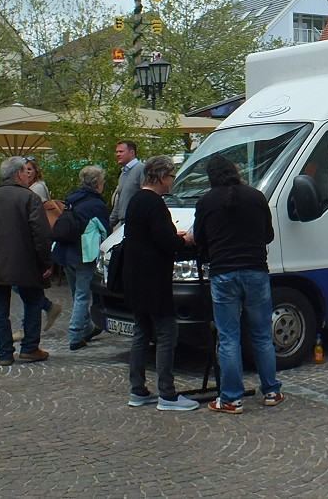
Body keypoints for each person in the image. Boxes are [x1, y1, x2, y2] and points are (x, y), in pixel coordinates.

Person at [194, 154, 283, 414]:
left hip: (223, 274)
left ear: (211, 177)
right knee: (261, 335)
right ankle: (272, 391)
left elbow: (200, 238)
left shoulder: (206, 201)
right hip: (256, 271)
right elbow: (268, 235)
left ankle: (231, 398)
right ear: (235, 171)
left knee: (229, 337)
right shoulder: (256, 197)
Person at [123, 155, 198, 411]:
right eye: (172, 177)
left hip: (136, 278)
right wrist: (184, 240)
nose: (172, 182)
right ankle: (167, 393)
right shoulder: (155, 204)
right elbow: (165, 241)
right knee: (167, 332)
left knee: (141, 332)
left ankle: (138, 389)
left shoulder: (135, 201)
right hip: (154, 279)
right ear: (162, 176)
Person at [0, 155, 52, 366]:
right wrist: (46, 262)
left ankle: (4, 352)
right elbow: (40, 233)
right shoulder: (29, 198)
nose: (27, 175)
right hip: (26, 261)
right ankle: (30, 348)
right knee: (33, 301)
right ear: (18, 174)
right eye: (25, 171)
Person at [54, 165, 110, 351]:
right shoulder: (96, 204)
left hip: (65, 252)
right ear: (98, 184)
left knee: (76, 293)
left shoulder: (72, 199)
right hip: (84, 254)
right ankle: (76, 334)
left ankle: (86, 328)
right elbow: (105, 230)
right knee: (82, 295)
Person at [21, 157, 62, 337]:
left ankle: (29, 326)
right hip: (33, 240)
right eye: (25, 169)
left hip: (36, 239)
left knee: (23, 283)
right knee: (24, 284)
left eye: (30, 169)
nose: (28, 172)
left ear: (36, 171)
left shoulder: (37, 188)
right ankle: (48, 307)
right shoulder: (28, 188)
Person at [110, 140, 145, 228]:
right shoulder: (123, 173)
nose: (118, 154)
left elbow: (146, 196)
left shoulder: (141, 169)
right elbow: (119, 200)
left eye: (121, 151)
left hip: (136, 222)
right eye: (117, 152)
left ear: (132, 152)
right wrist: (109, 223)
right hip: (124, 222)